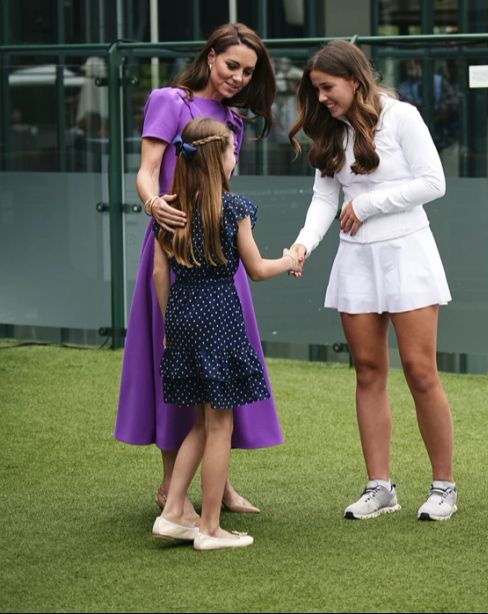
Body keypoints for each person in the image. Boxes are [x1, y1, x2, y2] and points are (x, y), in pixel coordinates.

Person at [287, 40, 457, 522]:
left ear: (355, 80)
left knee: (422, 372)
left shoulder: (402, 116)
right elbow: (324, 199)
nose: (320, 98)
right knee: (367, 372)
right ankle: (379, 487)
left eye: (327, 87)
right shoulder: (329, 130)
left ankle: (444, 487)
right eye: (315, 90)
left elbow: (433, 182)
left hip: (409, 254)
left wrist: (366, 205)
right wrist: (303, 245)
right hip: (355, 261)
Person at [114, 22, 278, 520]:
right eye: (232, 66)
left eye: (248, 72)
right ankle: (172, 487)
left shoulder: (234, 119)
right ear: (210, 57)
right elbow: (146, 170)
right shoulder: (171, 100)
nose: (238, 78)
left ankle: (218, 486)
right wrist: (152, 205)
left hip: (222, 261)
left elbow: (222, 191)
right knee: (176, 368)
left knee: (220, 371)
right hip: (171, 251)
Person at [150, 118, 298, 551]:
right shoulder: (234, 209)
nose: (237, 158)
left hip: (181, 314)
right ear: (220, 159)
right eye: (234, 151)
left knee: (200, 420)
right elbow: (256, 269)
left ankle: (173, 511)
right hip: (218, 316)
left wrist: (168, 327)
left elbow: (161, 274)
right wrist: (289, 259)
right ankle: (210, 528)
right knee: (221, 425)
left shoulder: (168, 209)